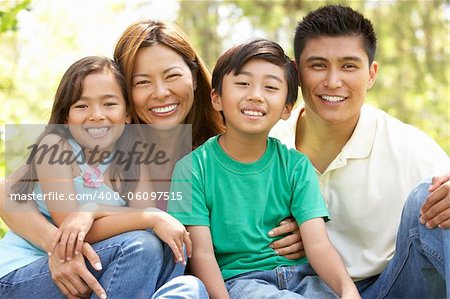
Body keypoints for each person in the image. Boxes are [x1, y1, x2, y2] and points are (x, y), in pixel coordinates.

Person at [0, 20, 303, 297]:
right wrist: (59, 246)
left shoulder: (228, 143)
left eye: (172, 76)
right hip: (99, 269)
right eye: (142, 82)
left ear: (195, 77)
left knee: (187, 284)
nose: (161, 92)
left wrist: (303, 226)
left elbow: (284, 190)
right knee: (150, 246)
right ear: (125, 92)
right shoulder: (105, 147)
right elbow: (7, 193)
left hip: (213, 280)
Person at [269, 5, 450, 298]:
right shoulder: (266, 144)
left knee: (437, 199)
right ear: (296, 72)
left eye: (349, 66)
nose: (332, 81)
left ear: (371, 73)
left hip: (397, 284)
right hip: (307, 289)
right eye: (317, 65)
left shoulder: (406, 145)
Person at [168, 38, 361, 299]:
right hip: (242, 283)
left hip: (304, 278)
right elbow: (202, 254)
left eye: (270, 87)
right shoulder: (193, 169)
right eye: (243, 84)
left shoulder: (296, 166)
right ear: (217, 98)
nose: (255, 95)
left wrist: (348, 291)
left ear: (286, 108)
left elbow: (317, 243)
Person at [0, 56, 205, 299]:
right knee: (143, 245)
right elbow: (72, 228)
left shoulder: (135, 162)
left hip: (92, 264)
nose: (96, 115)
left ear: (127, 114)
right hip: (22, 273)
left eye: (109, 104)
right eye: (82, 106)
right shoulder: (56, 147)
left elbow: (146, 218)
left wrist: (94, 210)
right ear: (66, 117)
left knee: (181, 267)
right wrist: (150, 216)